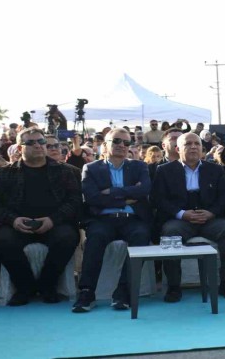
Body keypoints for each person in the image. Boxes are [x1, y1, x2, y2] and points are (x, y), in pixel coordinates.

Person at [0, 127, 82, 306]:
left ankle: (48, 285)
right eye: (30, 142)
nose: (38, 145)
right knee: (2, 241)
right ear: (19, 148)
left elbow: (75, 201)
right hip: (17, 224)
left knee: (67, 238)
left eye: (41, 141)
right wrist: (13, 220)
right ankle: (25, 287)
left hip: (54, 223)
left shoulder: (64, 171)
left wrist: (53, 220)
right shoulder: (6, 172)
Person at [73, 128, 153, 313]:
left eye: (126, 142)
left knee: (141, 236)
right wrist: (127, 197)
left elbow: (144, 190)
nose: (122, 145)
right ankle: (87, 292)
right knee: (95, 239)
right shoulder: (91, 168)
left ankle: (123, 291)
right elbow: (92, 198)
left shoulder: (139, 166)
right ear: (104, 145)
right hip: (103, 219)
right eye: (117, 141)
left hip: (133, 219)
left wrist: (111, 192)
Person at [154, 133, 225, 302]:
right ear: (178, 149)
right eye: (188, 144)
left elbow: (224, 197)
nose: (193, 147)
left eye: (197, 144)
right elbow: (159, 199)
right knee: (170, 232)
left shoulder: (214, 169)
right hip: (180, 219)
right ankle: (173, 286)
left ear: (202, 148)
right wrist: (182, 214)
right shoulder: (164, 170)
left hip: (210, 218)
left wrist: (211, 213)